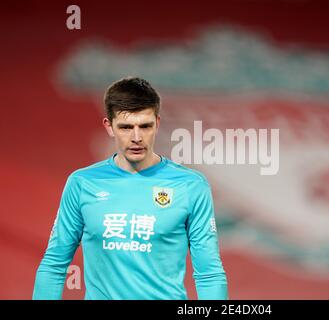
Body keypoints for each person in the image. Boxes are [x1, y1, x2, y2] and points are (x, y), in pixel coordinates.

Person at [32, 77, 228, 300]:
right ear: (109, 126)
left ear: (158, 123)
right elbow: (54, 264)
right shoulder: (82, 183)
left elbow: (209, 273)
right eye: (126, 127)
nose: (136, 137)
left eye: (145, 126)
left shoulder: (190, 185)